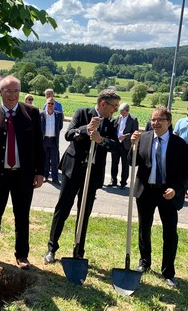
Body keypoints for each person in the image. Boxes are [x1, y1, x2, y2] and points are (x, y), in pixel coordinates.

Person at [44, 89, 120, 264]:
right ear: (103, 104)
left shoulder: (111, 123)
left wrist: (102, 140)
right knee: (62, 208)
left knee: (84, 212)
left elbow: (115, 146)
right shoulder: (82, 113)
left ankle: (78, 250)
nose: (115, 110)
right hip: (73, 169)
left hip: (93, 173)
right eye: (113, 106)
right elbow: (68, 134)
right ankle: (51, 248)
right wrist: (86, 129)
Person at [0, 75, 44, 270]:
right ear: (0, 92)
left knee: (22, 216)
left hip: (23, 176)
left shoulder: (31, 113)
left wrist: (39, 172)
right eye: (8, 91)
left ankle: (22, 255)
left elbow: (39, 145)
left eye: (16, 91)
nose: (12, 95)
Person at [130, 106, 188, 288]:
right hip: (146, 191)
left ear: (169, 122)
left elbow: (185, 173)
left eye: (159, 120)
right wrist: (132, 146)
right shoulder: (144, 138)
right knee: (144, 228)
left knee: (170, 233)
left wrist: (176, 189)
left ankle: (168, 272)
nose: (155, 123)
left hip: (167, 193)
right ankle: (144, 262)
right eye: (153, 120)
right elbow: (132, 163)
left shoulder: (179, 145)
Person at [109, 103, 139, 189]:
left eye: (123, 111)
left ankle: (123, 182)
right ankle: (113, 180)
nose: (121, 113)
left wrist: (126, 136)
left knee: (125, 164)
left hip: (126, 144)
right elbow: (113, 129)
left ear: (127, 111)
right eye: (120, 111)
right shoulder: (116, 118)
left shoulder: (133, 119)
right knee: (114, 163)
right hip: (116, 143)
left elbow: (135, 132)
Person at [40, 96, 63, 184]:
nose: (50, 105)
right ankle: (46, 176)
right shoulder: (41, 114)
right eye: (48, 103)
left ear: (54, 105)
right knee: (45, 159)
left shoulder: (58, 115)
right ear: (46, 104)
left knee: (54, 161)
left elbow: (60, 127)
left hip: (53, 140)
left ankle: (55, 178)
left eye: (52, 103)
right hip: (44, 140)